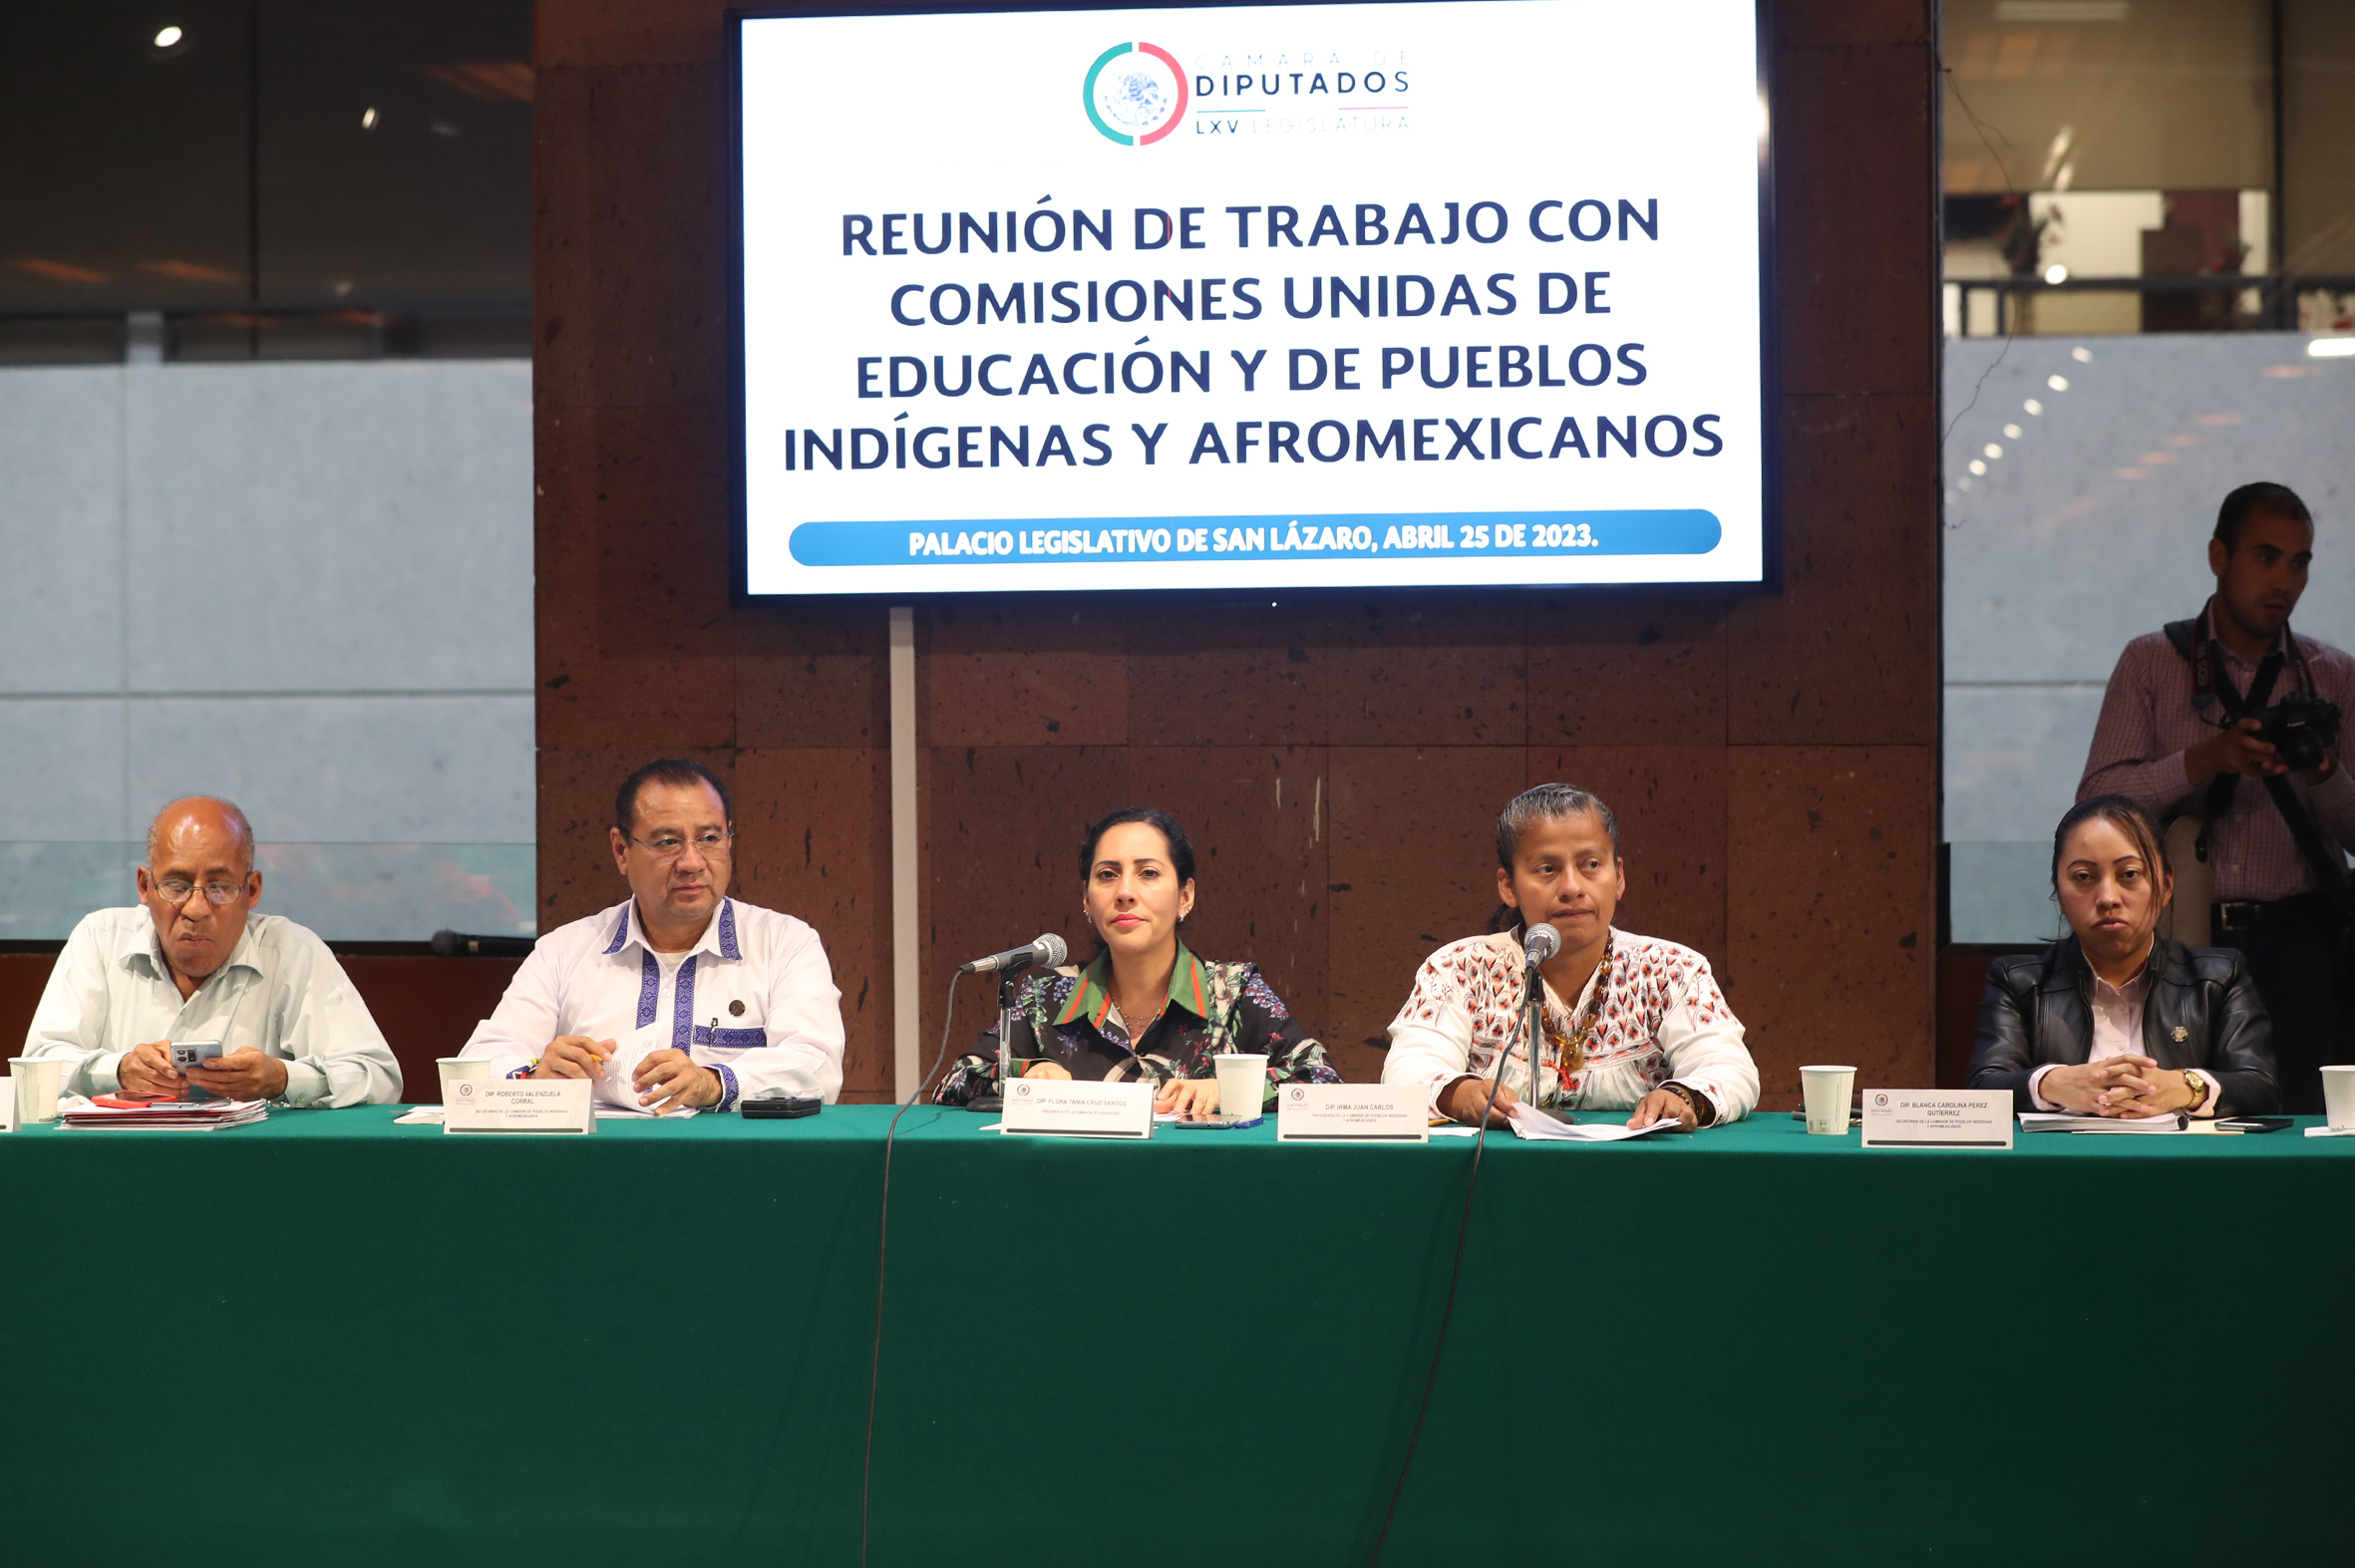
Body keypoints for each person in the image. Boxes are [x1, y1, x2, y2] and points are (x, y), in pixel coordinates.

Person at [2080, 481, 2353, 1112]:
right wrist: (2207, 759)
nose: (2284, 580)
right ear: (2219, 557)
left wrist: (2323, 772)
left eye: (2299, 562)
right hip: (2183, 939)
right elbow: (2094, 806)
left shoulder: (2332, 675)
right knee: (2177, 1116)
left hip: (2301, 944)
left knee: (2302, 1122)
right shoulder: (2152, 663)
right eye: (2266, 557)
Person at [459, 759, 844, 1110]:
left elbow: (818, 1068)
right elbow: (476, 1067)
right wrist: (534, 1077)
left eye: (710, 839)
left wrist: (714, 1083)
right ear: (621, 850)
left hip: (734, 1162)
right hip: (594, 1161)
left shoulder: (785, 944)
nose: (691, 862)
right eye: (667, 842)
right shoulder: (564, 950)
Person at [1383, 783, 1758, 1129]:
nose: (1572, 887)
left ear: (1619, 876)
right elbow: (1408, 1071)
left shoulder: (1673, 971)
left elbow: (1729, 1068)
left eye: (1591, 864)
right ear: (1508, 886)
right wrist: (1460, 1095)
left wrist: (1682, 1096)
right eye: (1547, 869)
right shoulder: (1458, 969)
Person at [933, 807, 1338, 1113]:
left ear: (1185, 896)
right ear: (1087, 900)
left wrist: (1227, 1090)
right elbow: (954, 1081)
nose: (1125, 892)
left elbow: (1321, 1080)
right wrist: (1027, 1074)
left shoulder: (1232, 990)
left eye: (1148, 873)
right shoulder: (1047, 994)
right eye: (1107, 875)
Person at [20, 796, 400, 1105]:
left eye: (219, 887)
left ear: (252, 891)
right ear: (144, 886)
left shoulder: (291, 951)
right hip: (118, 1162)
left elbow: (378, 1078)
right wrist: (118, 1071)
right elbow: (36, 1070)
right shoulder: (101, 938)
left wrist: (282, 1079)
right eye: (176, 885)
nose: (196, 908)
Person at [1968, 795, 2276, 1117]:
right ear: (2059, 893)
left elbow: (2262, 1088)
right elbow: (1982, 1087)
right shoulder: (2019, 983)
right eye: (2083, 877)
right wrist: (2052, 1083)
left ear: (2166, 886)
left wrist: (2186, 1087)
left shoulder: (2219, 978)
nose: (2107, 897)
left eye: (2128, 874)